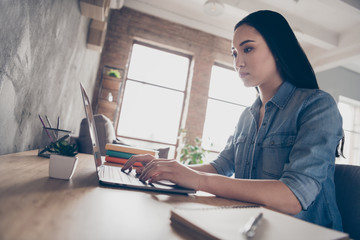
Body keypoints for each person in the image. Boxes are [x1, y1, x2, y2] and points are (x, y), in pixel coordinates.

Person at [122, 10, 344, 231]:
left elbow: (293, 196)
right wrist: (164, 169)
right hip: (254, 228)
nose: (238, 62)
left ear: (278, 50)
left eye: (248, 49)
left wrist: (197, 180)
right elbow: (220, 167)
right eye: (234, 53)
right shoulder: (247, 116)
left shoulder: (316, 106)